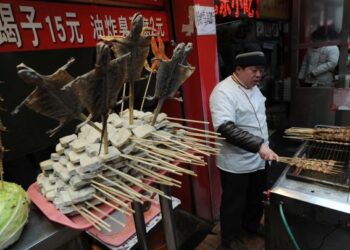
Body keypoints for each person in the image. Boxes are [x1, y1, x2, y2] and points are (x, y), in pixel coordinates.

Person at [210, 43, 279, 250]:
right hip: (236, 162)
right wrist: (259, 145)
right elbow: (224, 128)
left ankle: (250, 225)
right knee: (234, 202)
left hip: (259, 157)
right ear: (238, 69)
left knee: (255, 197)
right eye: (254, 70)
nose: (259, 75)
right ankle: (230, 238)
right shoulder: (223, 91)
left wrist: (263, 146)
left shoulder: (254, 88)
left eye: (261, 70)